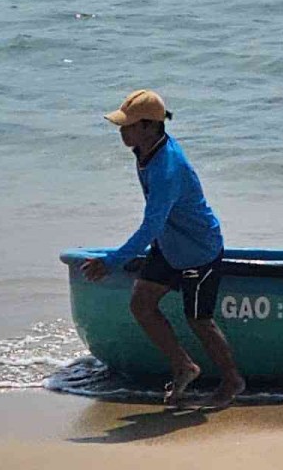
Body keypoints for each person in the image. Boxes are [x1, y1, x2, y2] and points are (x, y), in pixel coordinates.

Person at [80, 89, 246, 407]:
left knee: (199, 319)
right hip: (170, 246)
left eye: (128, 125)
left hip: (199, 250)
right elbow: (157, 227)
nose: (122, 131)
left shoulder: (167, 167)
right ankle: (184, 365)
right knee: (141, 304)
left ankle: (232, 380)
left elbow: (151, 225)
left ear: (150, 126)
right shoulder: (145, 151)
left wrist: (113, 261)